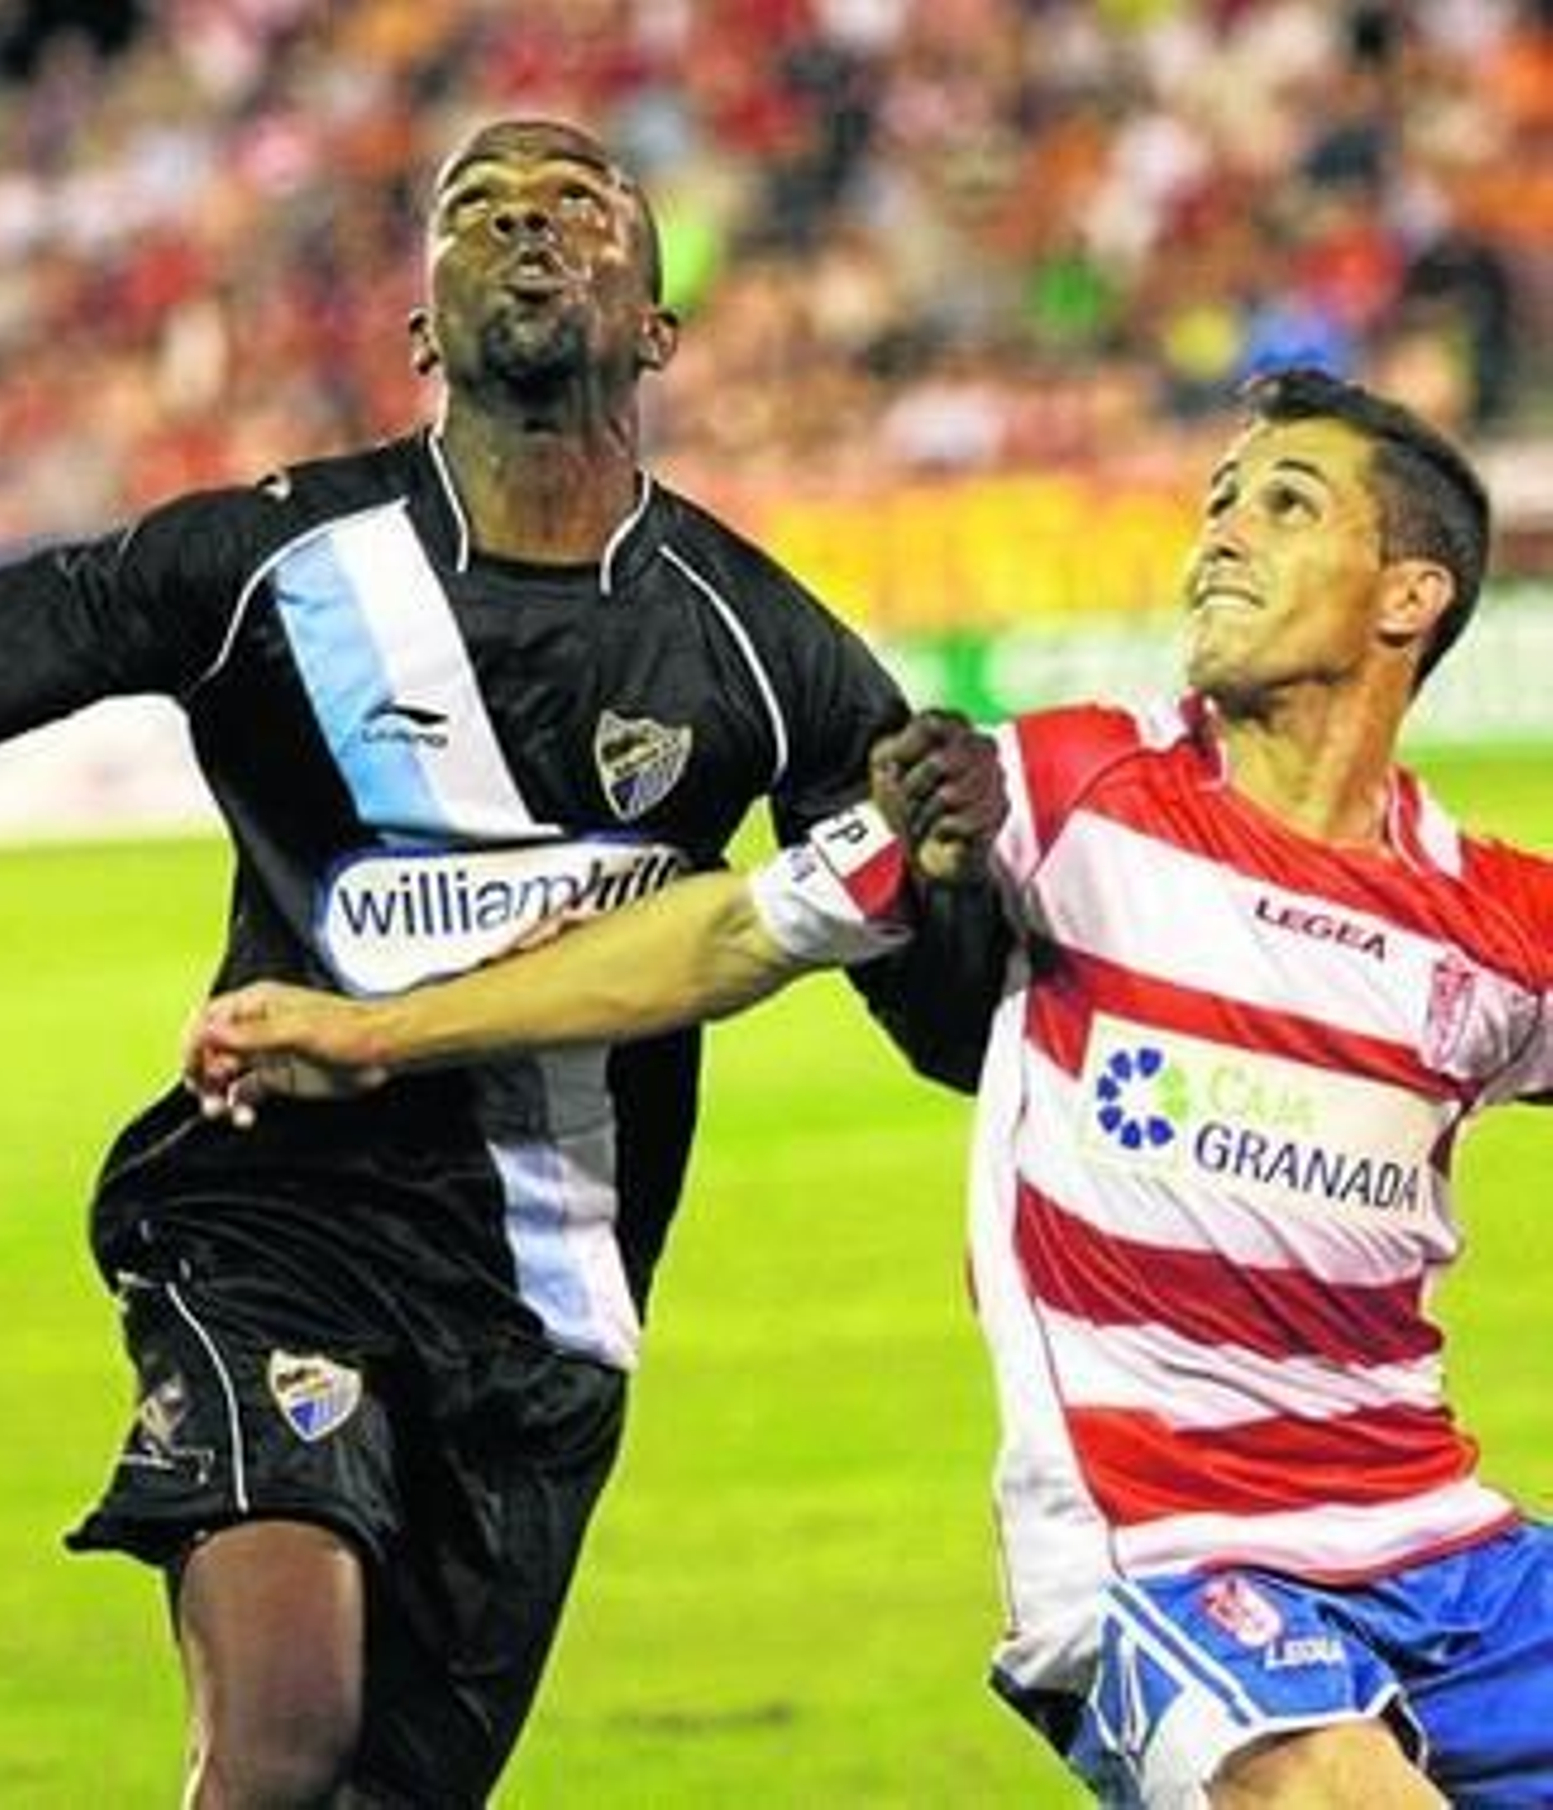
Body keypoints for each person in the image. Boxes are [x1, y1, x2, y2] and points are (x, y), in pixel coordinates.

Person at [190, 367, 1553, 1808]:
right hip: (1174, 1553)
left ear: (1409, 597)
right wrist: (375, 1028)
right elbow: (728, 929)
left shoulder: (1497, 926)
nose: (1221, 532)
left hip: (1443, 1534)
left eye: (1286, 504)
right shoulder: (1064, 788)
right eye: (1219, 499)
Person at [0, 118, 1003, 1807]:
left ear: (658, 323)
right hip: (272, 1217)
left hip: (548, 1305)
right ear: (422, 327)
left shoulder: (762, 642)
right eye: (480, 207)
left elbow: (953, 1033)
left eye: (581, 206)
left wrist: (945, 875)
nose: (529, 224)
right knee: (282, 1747)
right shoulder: (269, 563)